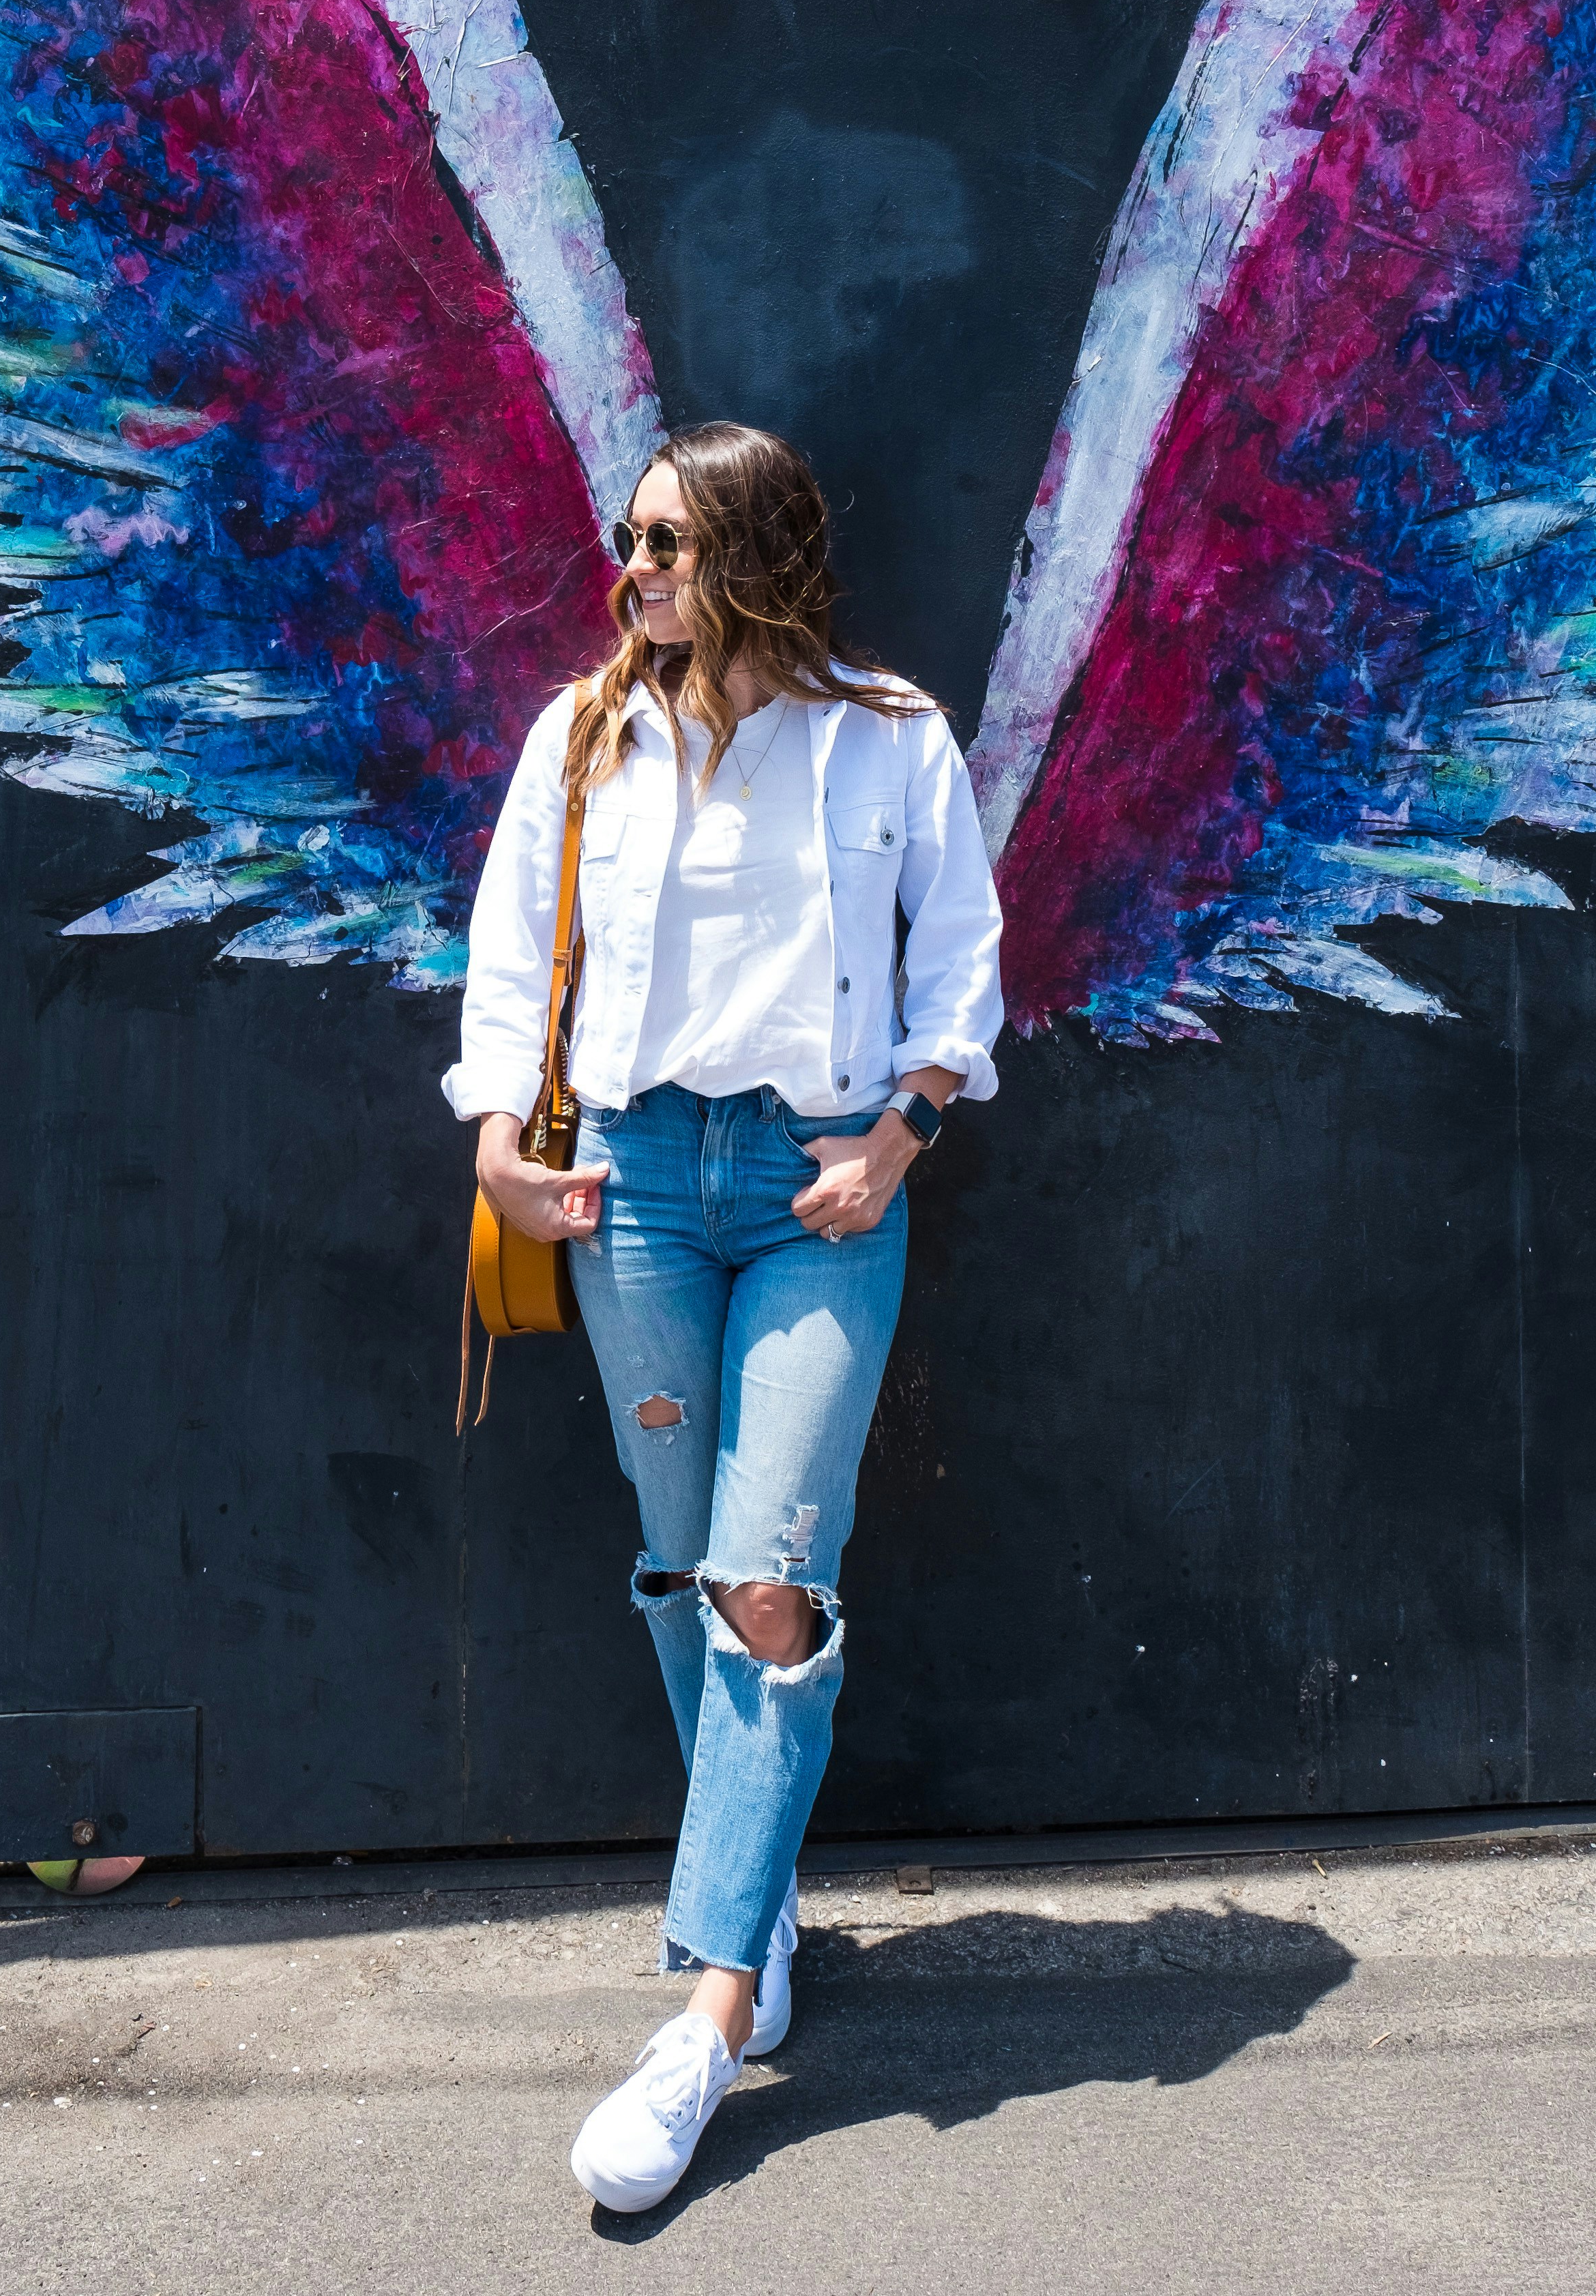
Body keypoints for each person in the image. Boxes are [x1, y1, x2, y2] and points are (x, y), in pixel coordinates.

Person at [443, 420, 1005, 2214]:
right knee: (685, 1563)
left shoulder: (890, 736)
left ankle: (704, 2016)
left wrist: (902, 1141)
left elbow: (965, 963)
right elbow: (514, 948)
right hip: (633, 1192)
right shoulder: (588, 727)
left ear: (758, 549)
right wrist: (494, 1150)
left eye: (674, 541)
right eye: (633, 539)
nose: (641, 568)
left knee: (772, 1577)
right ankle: (753, 1911)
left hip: (817, 1194)